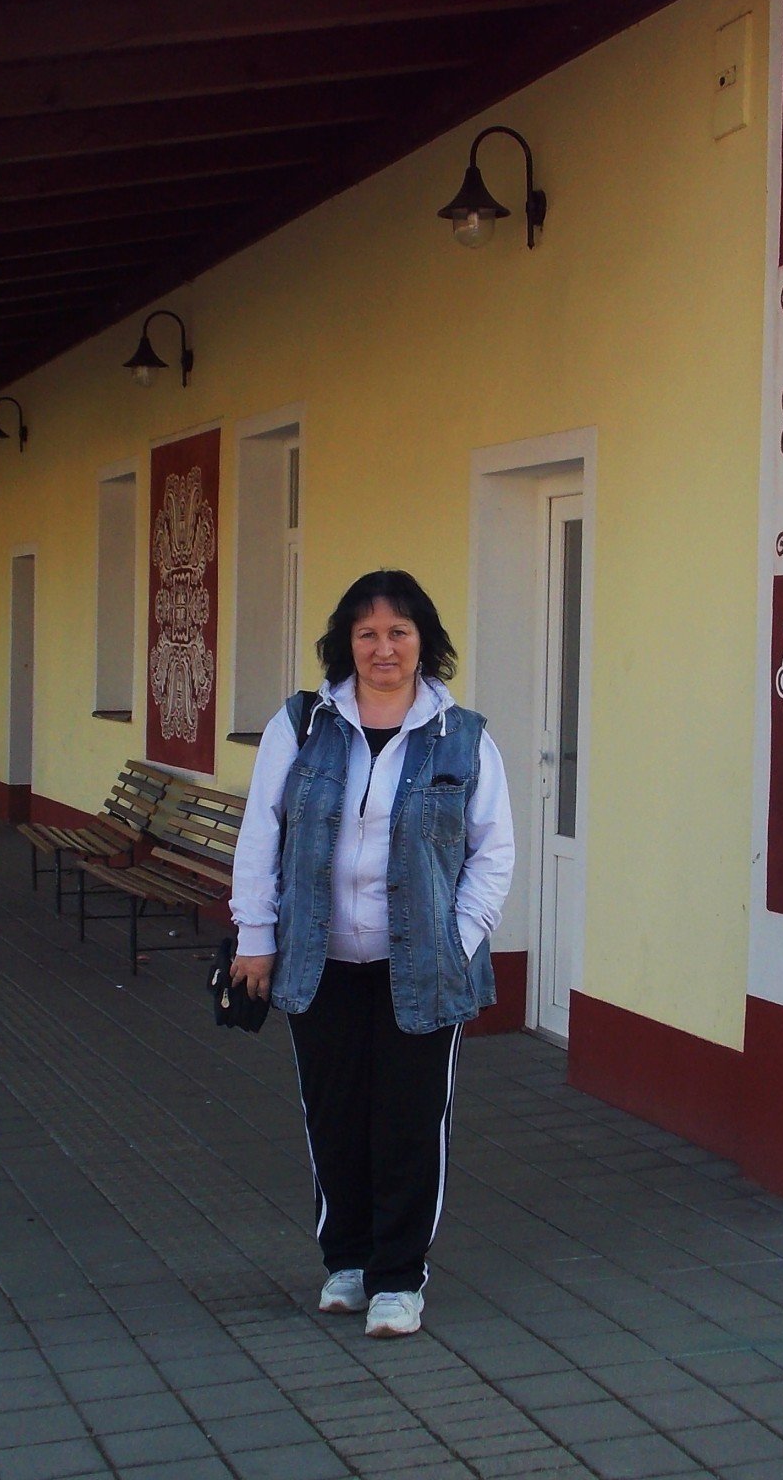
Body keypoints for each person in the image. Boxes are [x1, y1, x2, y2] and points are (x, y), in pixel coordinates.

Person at [229, 569, 514, 1339]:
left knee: (411, 1122)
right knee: (334, 1116)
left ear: (424, 642)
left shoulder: (464, 735)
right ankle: (347, 1264)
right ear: (345, 644)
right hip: (318, 961)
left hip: (419, 968)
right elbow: (263, 834)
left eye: (398, 632)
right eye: (367, 633)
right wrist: (255, 936)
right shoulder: (303, 722)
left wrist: (454, 941)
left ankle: (399, 1278)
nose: (383, 648)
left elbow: (494, 852)